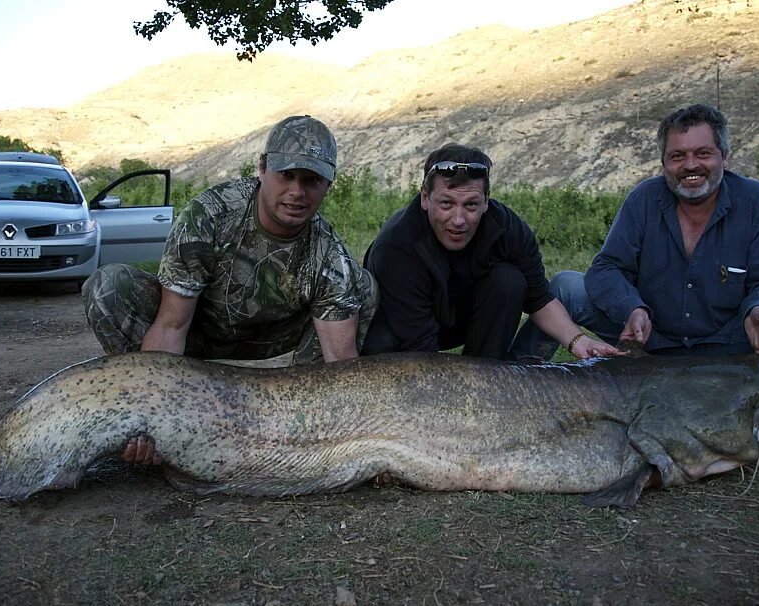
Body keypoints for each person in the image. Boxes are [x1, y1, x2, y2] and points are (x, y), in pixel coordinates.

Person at [82, 115, 377, 465]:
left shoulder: (330, 255)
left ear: (329, 183)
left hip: (274, 362)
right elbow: (171, 326)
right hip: (197, 343)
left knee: (363, 286)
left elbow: (340, 367)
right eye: (286, 175)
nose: (297, 192)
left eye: (312, 180)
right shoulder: (209, 216)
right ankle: (159, 419)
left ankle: (295, 428)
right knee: (107, 286)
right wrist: (152, 416)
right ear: (262, 169)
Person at [530, 103, 759, 394]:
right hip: (650, 339)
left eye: (703, 153)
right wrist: (632, 308)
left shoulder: (758, 202)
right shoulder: (643, 199)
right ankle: (518, 375)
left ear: (725, 156)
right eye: (677, 156)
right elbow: (608, 267)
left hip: (728, 342)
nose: (690, 165)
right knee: (566, 286)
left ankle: (755, 408)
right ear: (663, 162)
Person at [361, 143, 619, 361]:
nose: (459, 219)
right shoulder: (395, 246)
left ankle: (484, 374)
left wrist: (578, 341)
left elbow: (539, 299)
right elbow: (419, 343)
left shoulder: (507, 227)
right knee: (383, 344)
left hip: (464, 318)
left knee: (510, 281)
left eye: (471, 204)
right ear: (425, 199)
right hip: (399, 326)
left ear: (486, 201)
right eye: (446, 204)